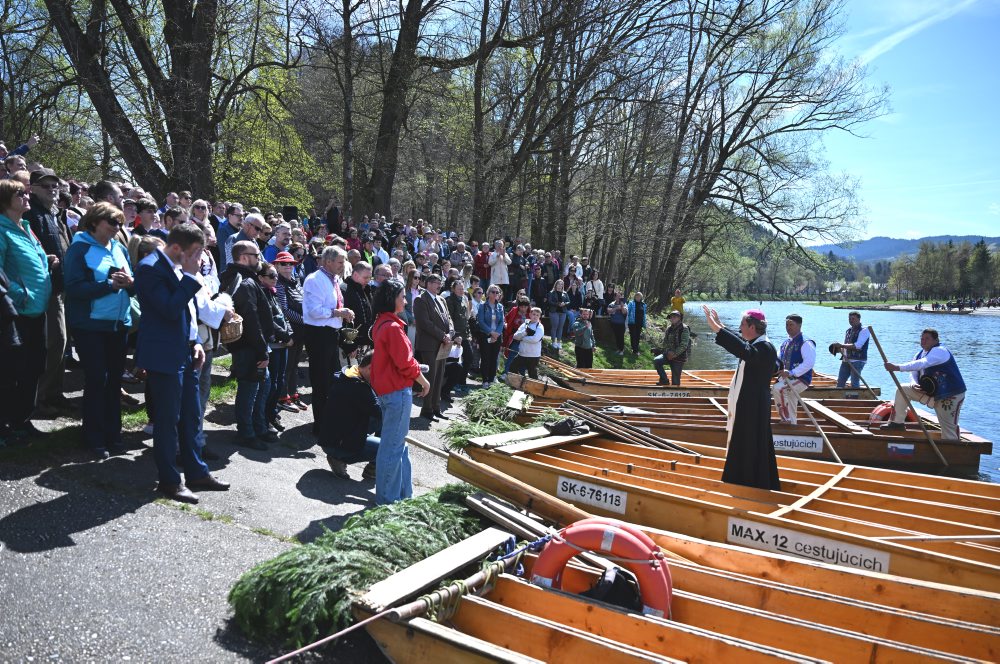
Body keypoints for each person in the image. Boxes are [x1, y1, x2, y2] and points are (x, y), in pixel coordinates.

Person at [134, 223, 229, 503]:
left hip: (185, 351)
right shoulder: (149, 269)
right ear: (177, 248)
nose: (200, 258)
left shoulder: (177, 266)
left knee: (190, 415)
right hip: (164, 355)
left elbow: (186, 311)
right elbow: (168, 308)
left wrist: (195, 341)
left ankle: (196, 471)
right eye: (196, 252)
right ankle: (169, 480)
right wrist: (189, 276)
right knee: (168, 419)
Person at [62, 203, 134, 459]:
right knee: (97, 380)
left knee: (113, 382)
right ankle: (93, 437)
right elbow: (73, 288)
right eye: (112, 222)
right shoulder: (79, 249)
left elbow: (131, 285)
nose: (117, 227)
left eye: (120, 223)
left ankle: (113, 435)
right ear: (94, 222)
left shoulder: (119, 248)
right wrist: (108, 285)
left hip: (118, 325)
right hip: (90, 325)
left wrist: (130, 284)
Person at [703, 306, 780, 490]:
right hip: (750, 404)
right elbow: (742, 344)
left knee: (751, 445)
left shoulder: (765, 347)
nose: (740, 328)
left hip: (753, 406)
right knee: (745, 443)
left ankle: (750, 484)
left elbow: (745, 351)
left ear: (752, 327)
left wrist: (717, 329)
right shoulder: (757, 343)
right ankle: (742, 482)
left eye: (742, 325)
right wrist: (721, 325)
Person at [0, 179, 52, 442]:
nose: (27, 195)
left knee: (34, 367)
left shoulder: (27, 227)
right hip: (15, 313)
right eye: (20, 193)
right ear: (5, 200)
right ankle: (5, 426)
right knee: (12, 371)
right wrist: (21, 296)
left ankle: (22, 419)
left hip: (37, 311)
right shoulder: (2, 229)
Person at [370, 279, 430, 504]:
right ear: (392, 299)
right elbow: (406, 364)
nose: (405, 301)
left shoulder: (382, 322)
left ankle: (404, 496)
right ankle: (387, 501)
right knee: (393, 448)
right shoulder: (393, 327)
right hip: (397, 392)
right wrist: (424, 382)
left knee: (397, 445)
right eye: (402, 296)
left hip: (389, 391)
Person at [219, 241, 277, 449]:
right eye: (256, 255)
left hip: (253, 344)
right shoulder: (243, 282)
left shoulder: (244, 278)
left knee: (262, 386)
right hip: (249, 346)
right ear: (244, 257)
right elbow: (251, 319)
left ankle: (259, 427)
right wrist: (262, 351)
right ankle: (246, 433)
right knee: (249, 389)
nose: (260, 259)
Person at [25, 168, 71, 415]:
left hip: (60, 286)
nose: (53, 190)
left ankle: (54, 394)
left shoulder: (53, 213)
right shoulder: (30, 213)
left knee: (60, 343)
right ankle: (41, 398)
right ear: (32, 189)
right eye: (46, 186)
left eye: (55, 185)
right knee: (55, 341)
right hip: (45, 289)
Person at [302, 246, 354, 434]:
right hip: (318, 335)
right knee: (321, 381)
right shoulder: (315, 280)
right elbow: (314, 311)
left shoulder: (334, 279)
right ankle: (320, 425)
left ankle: (329, 421)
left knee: (332, 380)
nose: (343, 265)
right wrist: (338, 313)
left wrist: (343, 313)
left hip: (331, 334)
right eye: (340, 262)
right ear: (328, 261)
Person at [883, 328, 967, 441]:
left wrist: (897, 367)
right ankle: (897, 423)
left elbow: (923, 363)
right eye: (922, 338)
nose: (923, 341)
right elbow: (914, 372)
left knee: (948, 428)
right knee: (902, 390)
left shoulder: (940, 351)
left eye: (927, 339)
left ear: (936, 340)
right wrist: (914, 383)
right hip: (930, 392)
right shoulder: (919, 354)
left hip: (949, 395)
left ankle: (952, 447)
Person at [321, 350, 380, 479]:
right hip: (336, 444)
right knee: (388, 447)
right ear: (370, 368)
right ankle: (338, 458)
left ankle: (372, 465)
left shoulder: (349, 372)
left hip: (333, 436)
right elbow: (382, 412)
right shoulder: (359, 387)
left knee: (379, 421)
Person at [413, 273, 455, 420]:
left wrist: (450, 333)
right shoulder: (421, 299)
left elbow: (449, 318)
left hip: (443, 344)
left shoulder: (441, 299)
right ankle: (427, 409)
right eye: (436, 282)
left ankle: (436, 407)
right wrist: (443, 336)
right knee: (431, 376)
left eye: (440, 282)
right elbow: (425, 323)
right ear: (429, 284)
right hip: (429, 344)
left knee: (439, 376)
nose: (439, 285)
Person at [273, 251, 308, 412]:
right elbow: (285, 310)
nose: (288, 266)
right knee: (287, 366)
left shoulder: (296, 281)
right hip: (289, 330)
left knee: (295, 365)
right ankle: (282, 397)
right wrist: (305, 320)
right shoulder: (279, 284)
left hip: (301, 330)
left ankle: (293, 394)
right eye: (283, 264)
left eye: (290, 264)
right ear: (276, 266)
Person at [771, 314, 815, 426]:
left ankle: (786, 420)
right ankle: (792, 422)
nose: (788, 327)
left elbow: (809, 363)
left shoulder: (806, 342)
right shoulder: (785, 343)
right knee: (790, 397)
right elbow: (778, 359)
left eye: (791, 324)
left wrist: (792, 372)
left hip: (801, 378)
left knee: (778, 389)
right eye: (787, 325)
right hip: (787, 378)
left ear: (799, 325)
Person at [831, 311, 870, 389]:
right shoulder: (849, 331)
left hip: (858, 360)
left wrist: (841, 345)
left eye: (853, 318)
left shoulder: (864, 330)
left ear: (859, 319)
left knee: (854, 382)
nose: (851, 320)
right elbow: (847, 346)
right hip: (846, 360)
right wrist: (839, 349)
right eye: (849, 319)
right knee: (840, 382)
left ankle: (856, 396)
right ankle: (839, 396)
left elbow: (858, 346)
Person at [477, 285, 505, 387]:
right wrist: (491, 333)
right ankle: (485, 380)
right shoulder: (482, 306)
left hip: (497, 336)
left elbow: (501, 322)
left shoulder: (500, 307)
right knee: (485, 358)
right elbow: (481, 322)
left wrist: (496, 334)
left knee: (494, 358)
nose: (495, 294)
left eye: (497, 292)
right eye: (493, 292)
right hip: (485, 335)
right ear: (488, 293)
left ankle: (491, 379)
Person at [654, 310, 691, 386]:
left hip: (679, 357)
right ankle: (664, 380)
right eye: (671, 317)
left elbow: (684, 345)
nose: (673, 318)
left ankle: (675, 391)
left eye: (675, 317)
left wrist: (674, 354)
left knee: (675, 382)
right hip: (668, 354)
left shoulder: (684, 328)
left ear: (679, 318)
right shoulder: (668, 328)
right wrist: (668, 352)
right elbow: (665, 343)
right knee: (657, 360)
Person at [510, 307, 544, 378]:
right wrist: (524, 333)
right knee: (512, 368)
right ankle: (518, 381)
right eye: (534, 314)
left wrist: (522, 338)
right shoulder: (524, 325)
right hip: (522, 353)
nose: (535, 316)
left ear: (539, 316)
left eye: (537, 315)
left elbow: (535, 339)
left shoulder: (540, 327)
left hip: (533, 355)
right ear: (530, 314)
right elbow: (515, 336)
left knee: (532, 374)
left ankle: (533, 385)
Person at [547, 279, 569, 349]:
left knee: (560, 327)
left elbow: (568, 301)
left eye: (561, 284)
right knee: (555, 327)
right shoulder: (551, 292)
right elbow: (549, 301)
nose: (560, 285)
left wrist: (564, 303)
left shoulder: (565, 293)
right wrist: (557, 304)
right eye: (559, 284)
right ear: (556, 285)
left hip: (563, 312)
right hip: (554, 311)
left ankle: (559, 342)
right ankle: (553, 342)